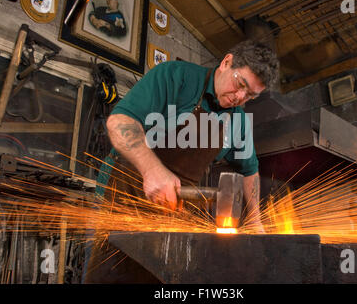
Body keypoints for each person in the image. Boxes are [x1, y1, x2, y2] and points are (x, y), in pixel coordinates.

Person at [83, 39, 279, 283]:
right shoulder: (175, 77)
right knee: (107, 273)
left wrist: (256, 221)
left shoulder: (238, 122)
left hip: (175, 211)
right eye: (240, 84)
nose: (240, 97)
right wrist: (152, 171)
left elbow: (250, 170)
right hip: (123, 194)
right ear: (226, 62)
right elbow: (120, 122)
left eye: (250, 95)